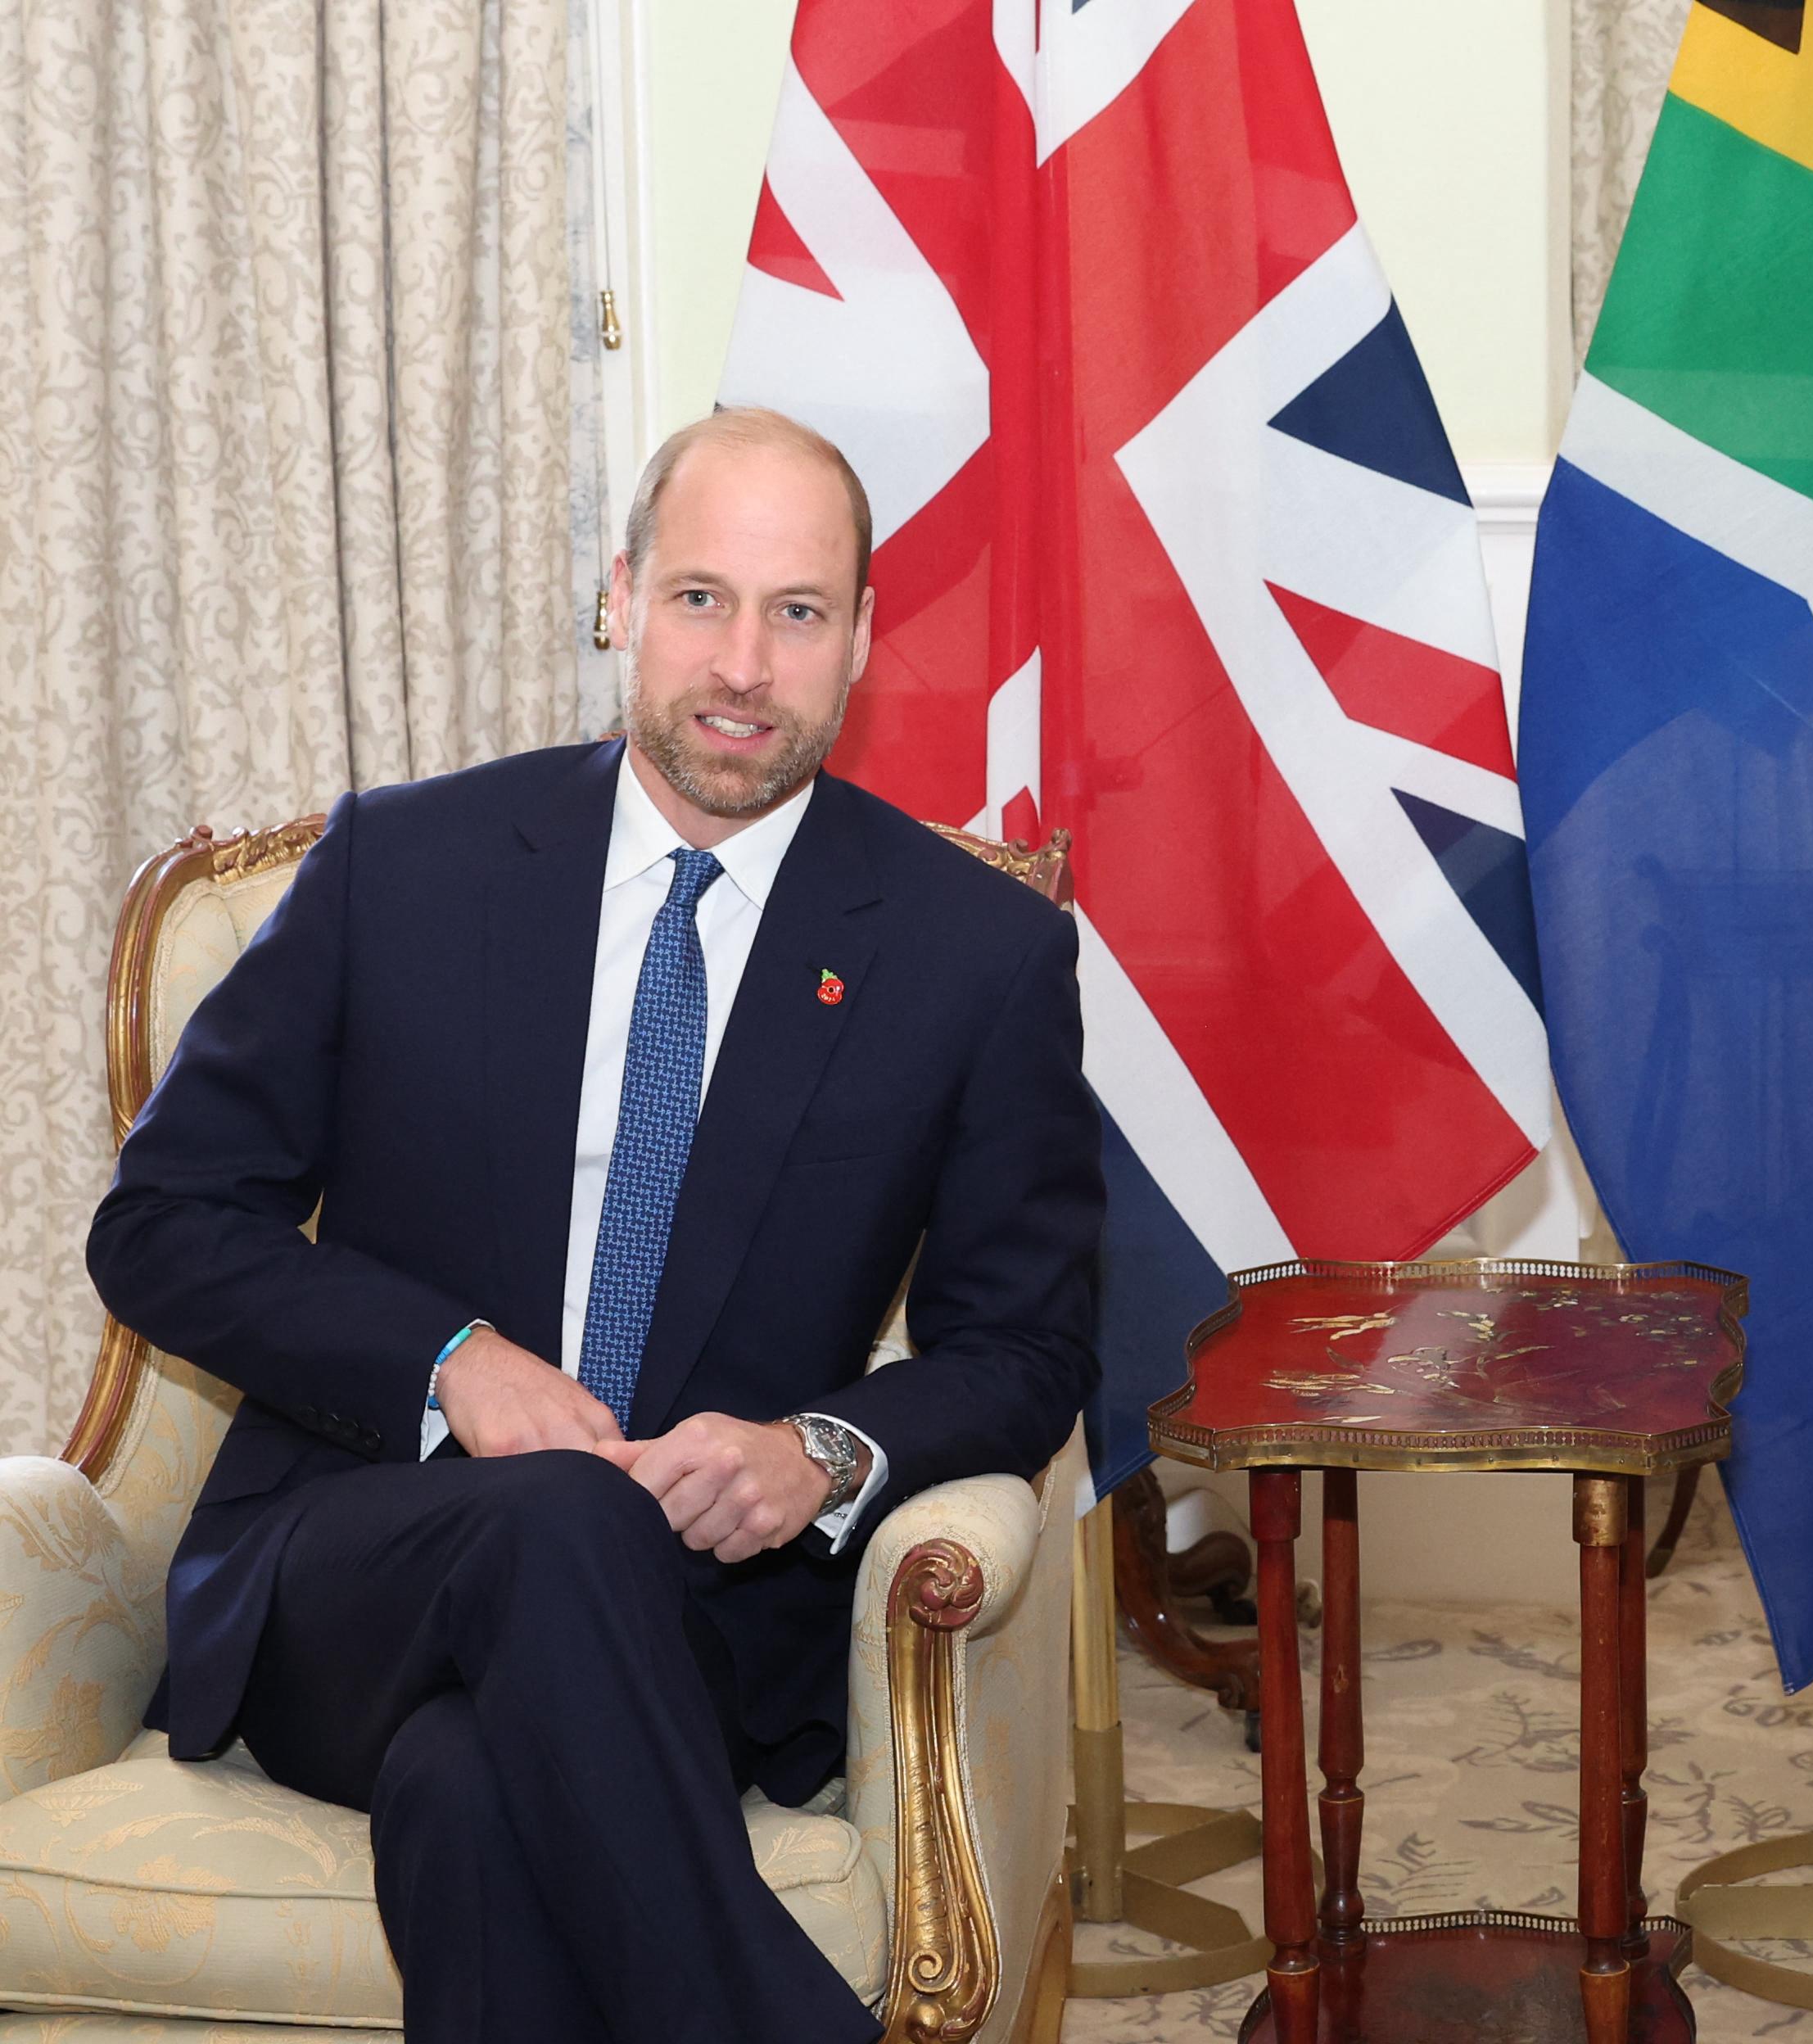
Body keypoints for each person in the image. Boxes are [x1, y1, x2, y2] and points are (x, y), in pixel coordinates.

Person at [88, 407, 1103, 2044]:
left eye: (798, 612)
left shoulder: (968, 954)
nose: (744, 664)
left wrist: (820, 1452)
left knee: (480, 1804)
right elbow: (161, 1222)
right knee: (558, 1511)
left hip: (695, 1623)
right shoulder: (402, 868)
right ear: (619, 595)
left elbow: (1030, 1346)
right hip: (355, 1565)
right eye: (702, 598)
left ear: (861, 642)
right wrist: (449, 1363)